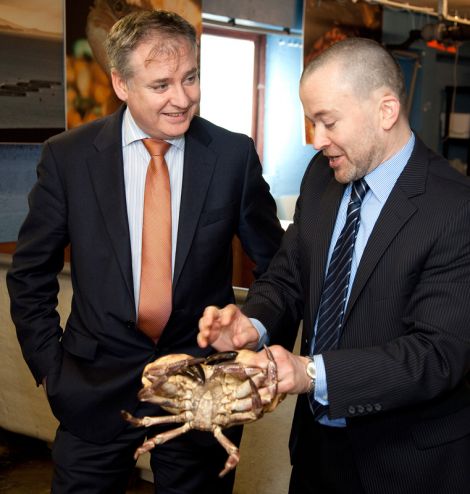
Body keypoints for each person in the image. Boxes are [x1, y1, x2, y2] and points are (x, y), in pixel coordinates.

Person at [6, 10, 283, 494]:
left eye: (191, 78)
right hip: (92, 390)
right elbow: (30, 273)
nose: (183, 98)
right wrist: (52, 371)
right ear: (120, 83)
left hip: (201, 393)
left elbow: (280, 268)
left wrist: (250, 347)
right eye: (161, 85)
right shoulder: (68, 158)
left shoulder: (232, 156)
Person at [198, 37, 470, 494]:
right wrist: (252, 323)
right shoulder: (321, 177)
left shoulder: (455, 208)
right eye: (310, 122)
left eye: (328, 122)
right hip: (315, 452)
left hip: (407, 462)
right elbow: (287, 274)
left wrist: (309, 373)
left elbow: (437, 355)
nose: (317, 140)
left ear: (385, 111)